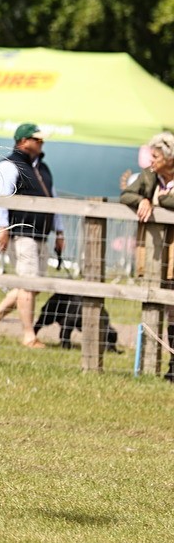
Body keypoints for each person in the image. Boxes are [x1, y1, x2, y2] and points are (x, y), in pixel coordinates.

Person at [0, 123, 65, 347]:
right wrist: (2, 228)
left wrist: (60, 229)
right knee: (27, 284)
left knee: (32, 284)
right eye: (37, 139)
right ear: (24, 141)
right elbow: (0, 198)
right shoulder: (9, 166)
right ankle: (28, 335)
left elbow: (53, 200)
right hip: (22, 232)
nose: (41, 143)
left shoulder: (42, 168)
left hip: (41, 233)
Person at [119, 132, 174, 382]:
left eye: (156, 156)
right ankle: (163, 364)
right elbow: (125, 195)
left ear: (170, 157)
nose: (151, 161)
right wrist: (142, 198)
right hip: (155, 254)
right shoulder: (149, 176)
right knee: (161, 305)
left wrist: (161, 200)